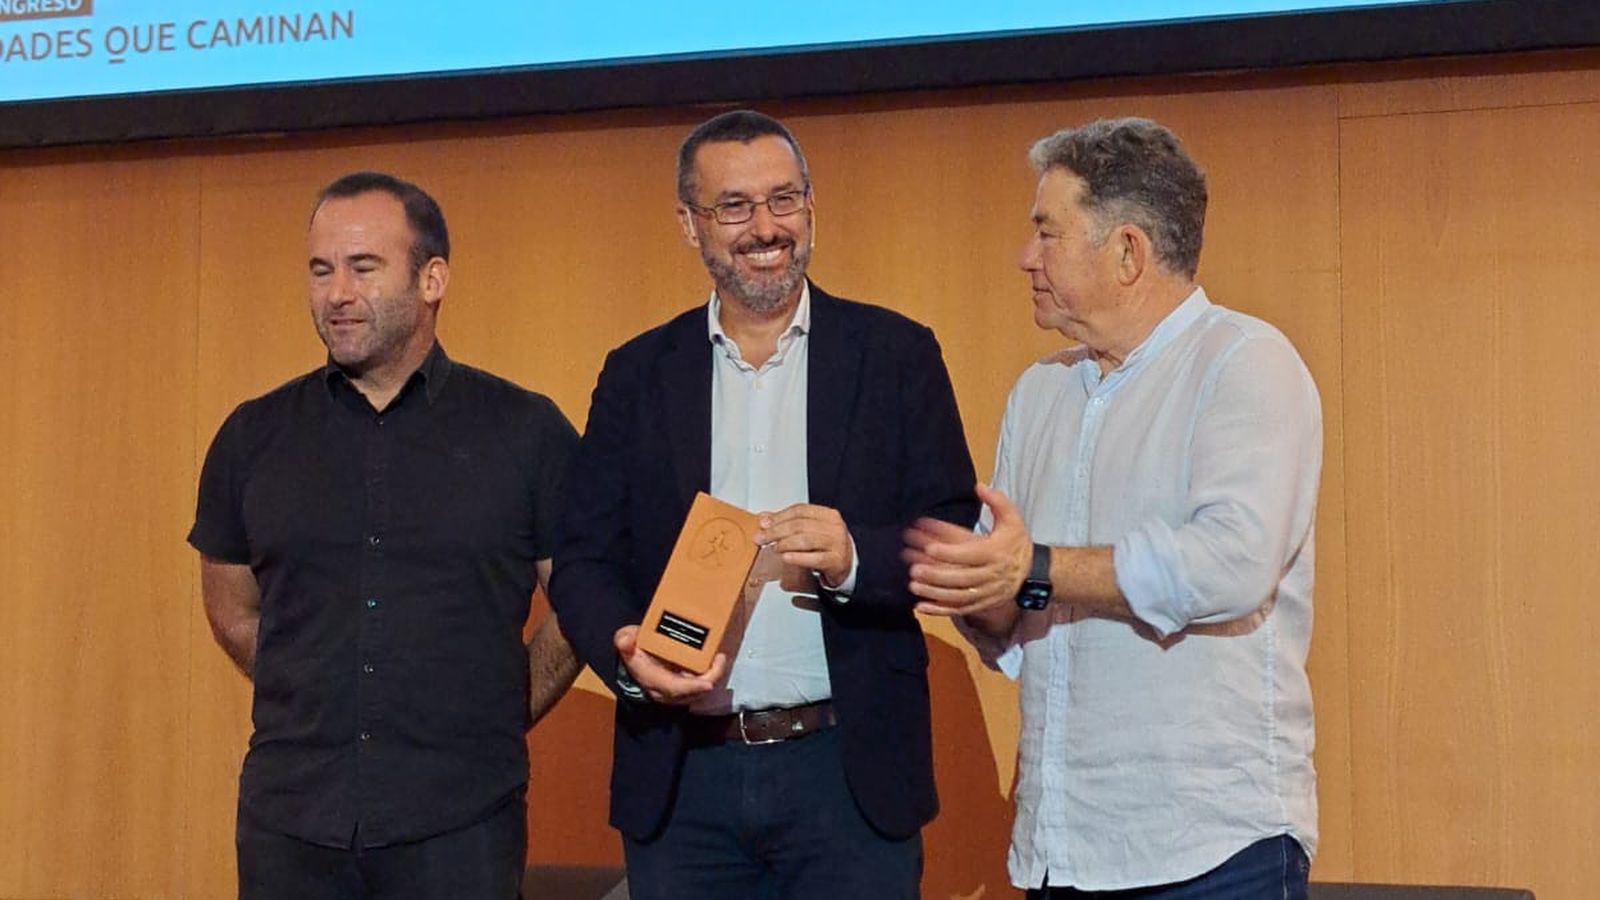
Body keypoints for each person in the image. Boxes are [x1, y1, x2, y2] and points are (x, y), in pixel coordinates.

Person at [549, 110, 978, 900]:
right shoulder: (638, 374)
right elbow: (582, 560)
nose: (765, 228)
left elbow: (952, 530)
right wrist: (625, 651)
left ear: (811, 206)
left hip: (845, 775)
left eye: (784, 200)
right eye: (735, 207)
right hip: (684, 781)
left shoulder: (895, 355)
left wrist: (856, 558)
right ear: (690, 223)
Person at [906, 117, 1321, 899]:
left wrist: (1031, 567)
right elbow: (1026, 612)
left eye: (1047, 233)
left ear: (1127, 251)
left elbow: (1230, 564)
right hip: (1061, 847)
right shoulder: (1041, 393)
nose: (1024, 257)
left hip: (1210, 848)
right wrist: (980, 590)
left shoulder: (1245, 363)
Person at [189, 171, 581, 900]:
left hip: (462, 822)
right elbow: (231, 607)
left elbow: (581, 605)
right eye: (320, 269)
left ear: (432, 279)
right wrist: (311, 685)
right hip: (290, 823)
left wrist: (501, 705)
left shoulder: (527, 433)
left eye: (363, 268)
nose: (336, 293)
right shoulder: (253, 435)